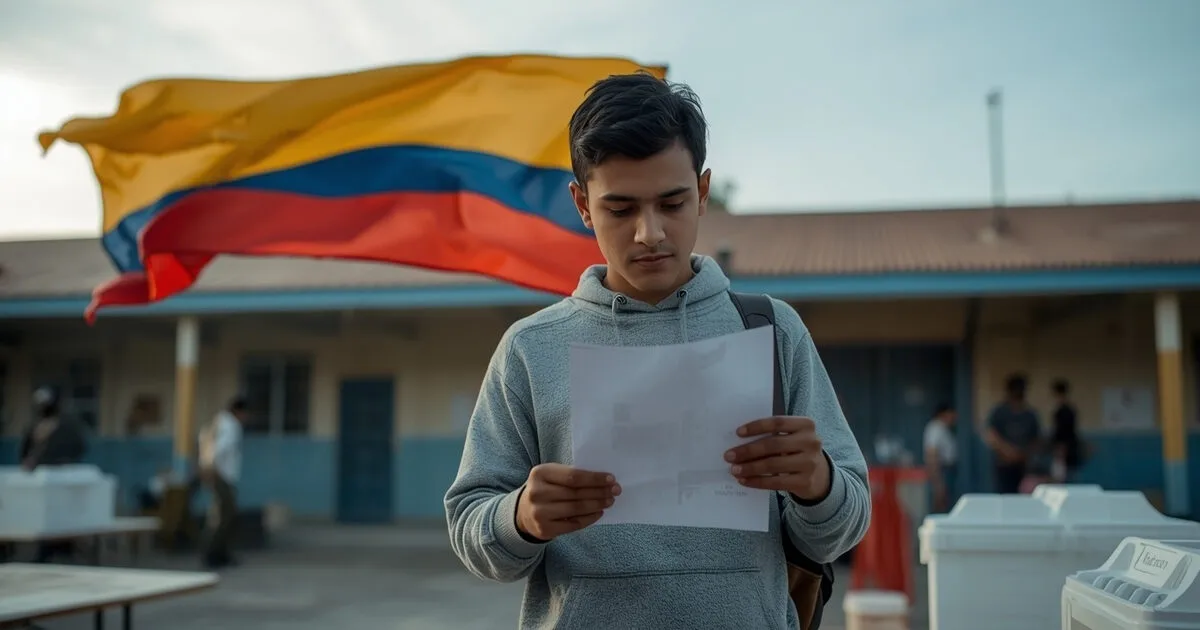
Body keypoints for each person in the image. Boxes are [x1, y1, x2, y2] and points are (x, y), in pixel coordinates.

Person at [444, 72, 871, 629]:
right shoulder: (531, 348)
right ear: (582, 204)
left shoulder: (771, 331)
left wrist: (818, 483)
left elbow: (845, 525)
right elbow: (471, 527)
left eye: (671, 202)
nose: (650, 232)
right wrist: (519, 517)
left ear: (702, 191)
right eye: (620, 209)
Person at [19, 385, 88, 562]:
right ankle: (46, 549)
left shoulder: (67, 426)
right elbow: (26, 452)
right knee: (41, 516)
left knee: (60, 516)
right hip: (39, 481)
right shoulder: (34, 426)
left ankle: (63, 548)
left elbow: (78, 448)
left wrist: (62, 464)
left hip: (60, 480)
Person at [198, 397, 246, 569]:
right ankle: (213, 555)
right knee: (222, 518)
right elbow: (220, 449)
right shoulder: (230, 425)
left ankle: (220, 554)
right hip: (222, 477)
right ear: (240, 412)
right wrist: (211, 468)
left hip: (219, 476)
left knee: (224, 517)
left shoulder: (219, 421)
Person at [983, 374, 1042, 494]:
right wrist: (1008, 451)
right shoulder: (1000, 412)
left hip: (1024, 467)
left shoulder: (1030, 415)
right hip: (1003, 465)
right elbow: (991, 436)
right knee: (1004, 498)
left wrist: (1022, 454)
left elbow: (1036, 440)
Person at [923, 403, 958, 513]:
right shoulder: (935, 428)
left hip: (948, 471)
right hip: (941, 471)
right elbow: (932, 454)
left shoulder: (943, 428)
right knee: (940, 505)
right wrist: (938, 483)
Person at [1049, 378, 1083, 482]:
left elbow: (1063, 432)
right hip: (1069, 450)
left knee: (1063, 480)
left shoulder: (1063, 412)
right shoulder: (1069, 410)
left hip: (1065, 451)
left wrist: (1060, 450)